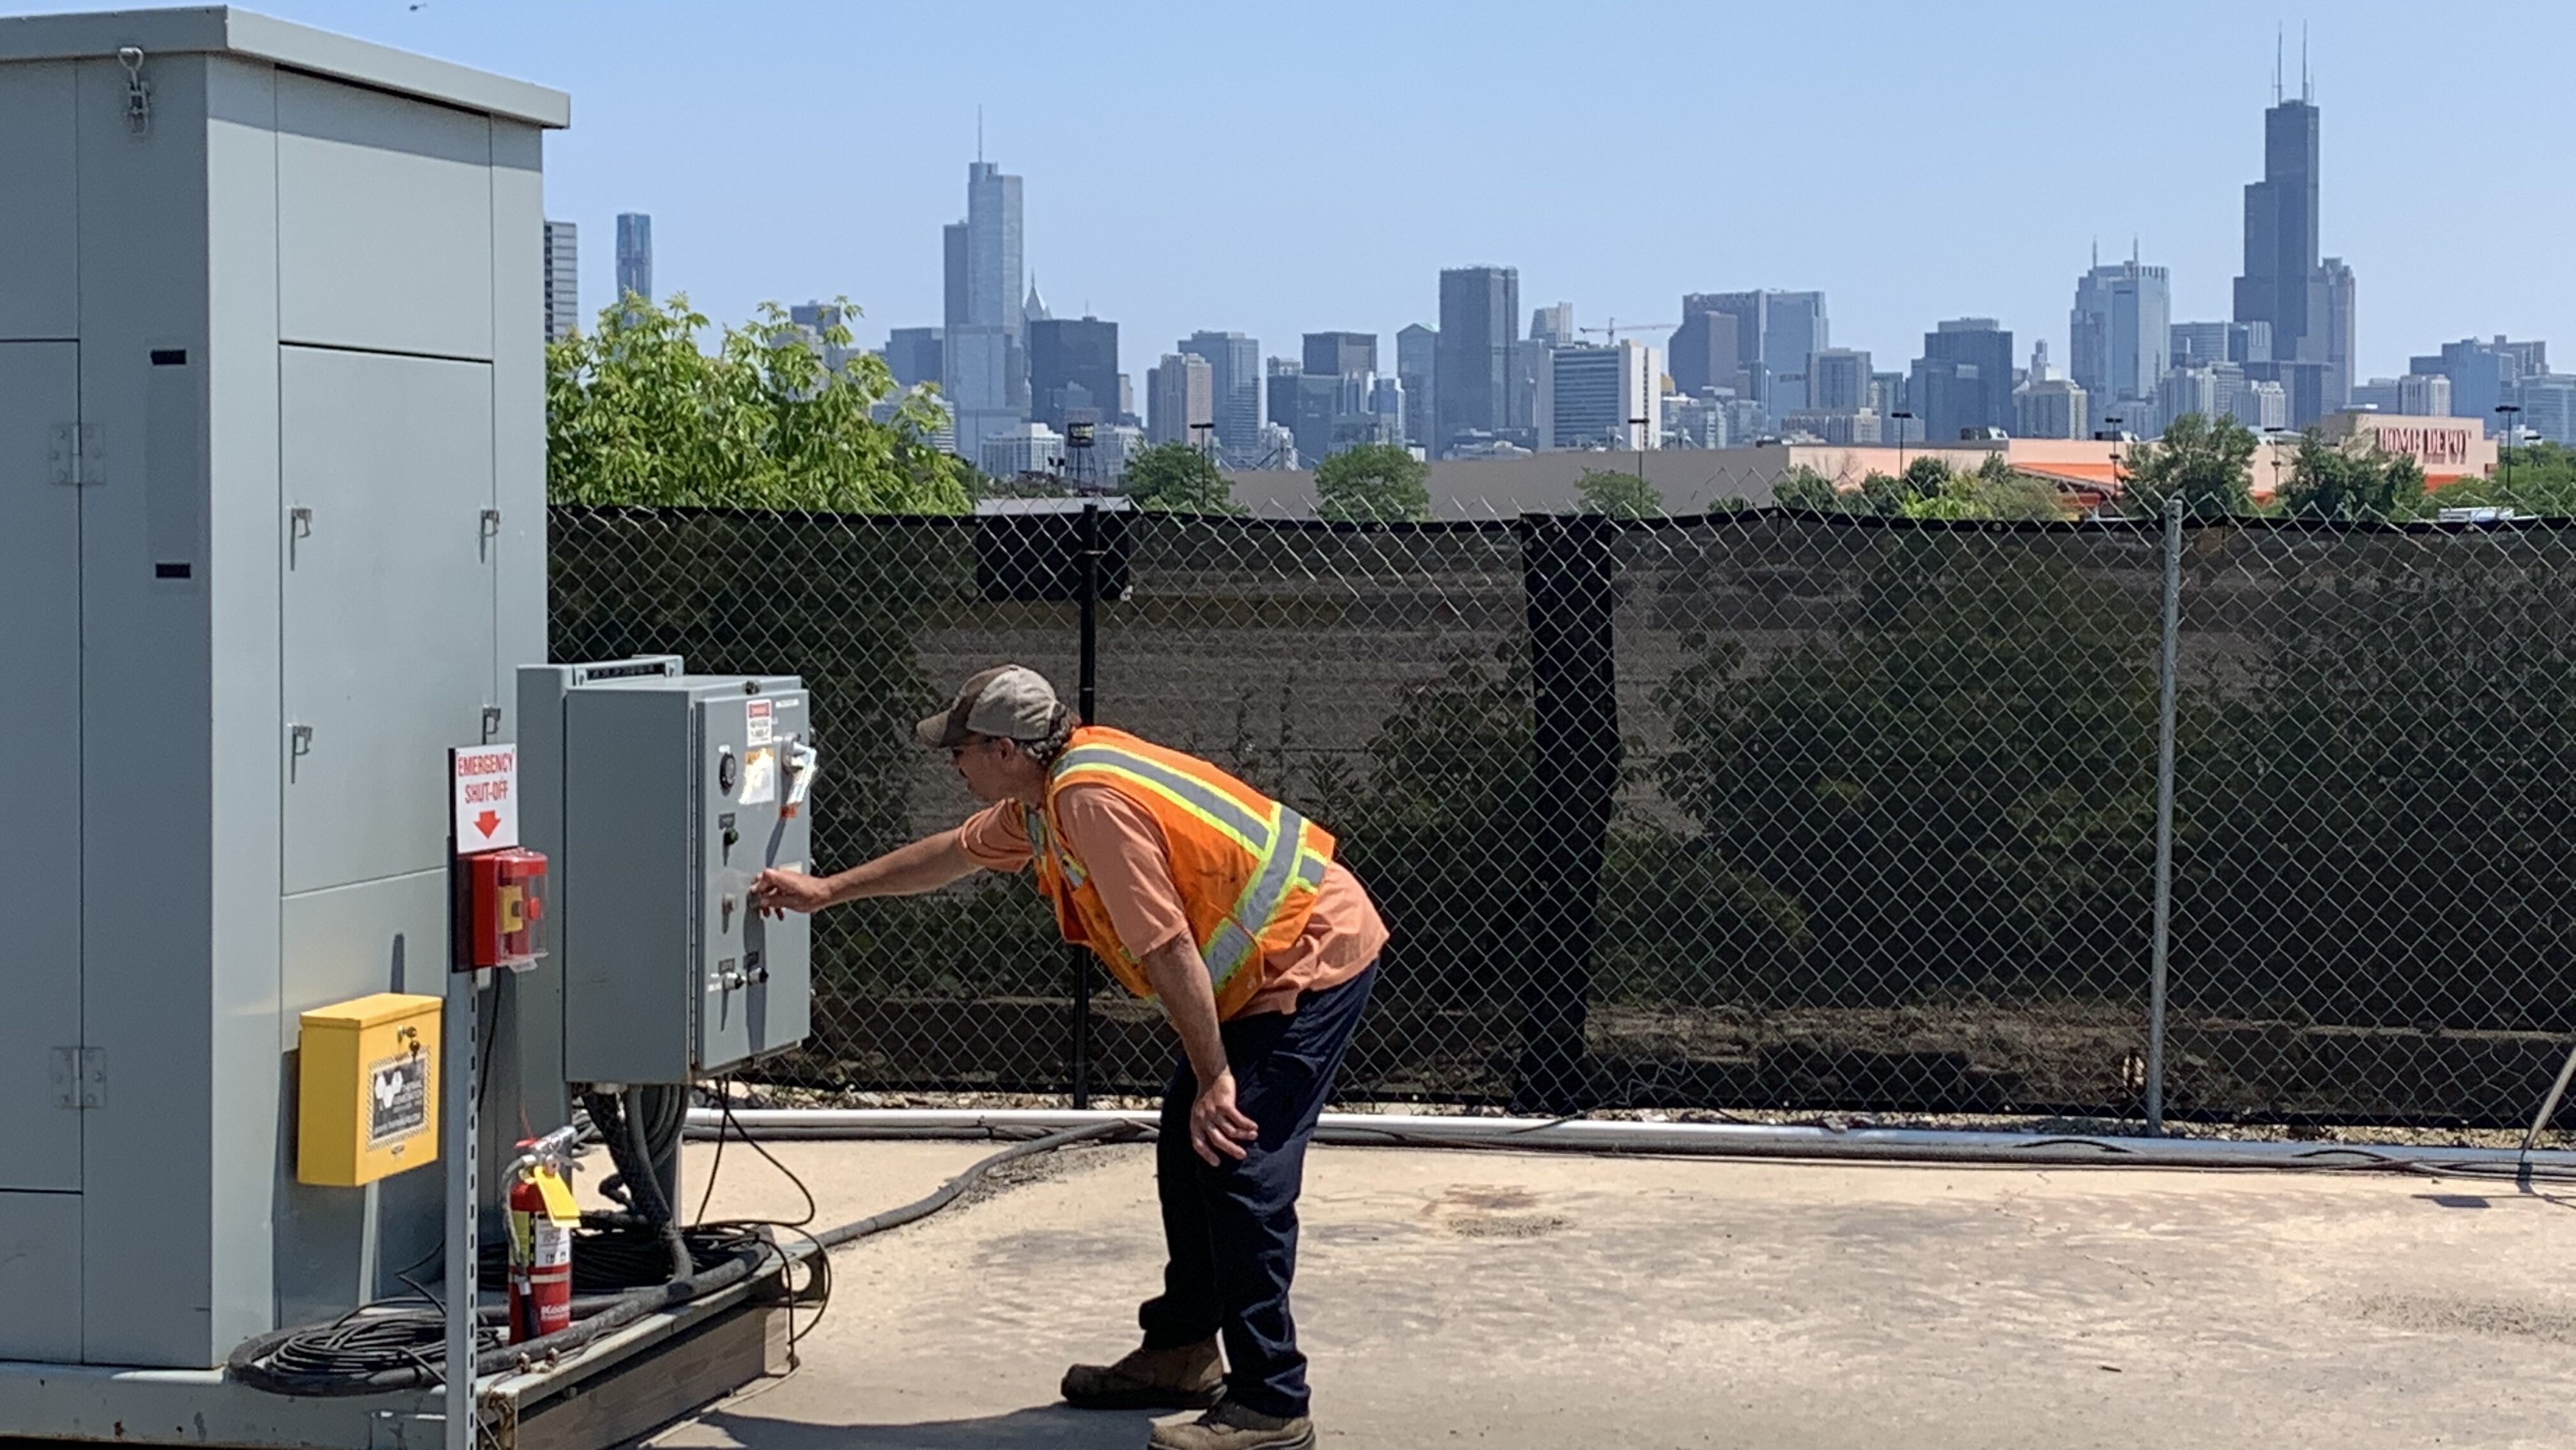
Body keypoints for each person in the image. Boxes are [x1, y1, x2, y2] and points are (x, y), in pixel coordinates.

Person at [751, 664, 1383, 1450]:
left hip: (1308, 956)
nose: (954, 762)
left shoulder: (1088, 802)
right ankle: (1184, 1351)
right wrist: (826, 890)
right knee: (1189, 1152)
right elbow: (953, 853)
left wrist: (1217, 1076)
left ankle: (1271, 1401)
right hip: (1264, 960)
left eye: (963, 747)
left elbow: (1167, 945)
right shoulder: (1047, 796)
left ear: (1009, 750)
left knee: (1235, 1163)